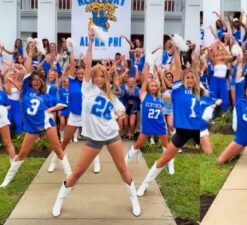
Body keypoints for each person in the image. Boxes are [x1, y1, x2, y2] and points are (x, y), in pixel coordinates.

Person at [51, 29, 141, 217]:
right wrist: (90, 42)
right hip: (93, 139)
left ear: (106, 78)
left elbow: (122, 111)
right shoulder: (87, 88)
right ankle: (60, 199)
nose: (99, 78)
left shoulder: (110, 96)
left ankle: (134, 199)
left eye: (102, 76)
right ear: (92, 77)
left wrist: (119, 115)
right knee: (77, 172)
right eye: (97, 75)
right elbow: (87, 61)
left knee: (122, 168)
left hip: (111, 135)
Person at [0, 45, 72, 188]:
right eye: (35, 80)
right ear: (31, 81)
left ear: (41, 83)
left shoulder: (45, 95)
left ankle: (70, 175)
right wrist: (30, 53)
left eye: (39, 81)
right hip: (32, 126)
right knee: (23, 153)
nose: (36, 82)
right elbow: (27, 68)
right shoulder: (25, 89)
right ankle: (7, 180)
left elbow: (62, 105)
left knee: (57, 148)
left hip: (45, 122)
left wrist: (50, 109)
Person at [135, 43, 201, 197]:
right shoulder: (178, 89)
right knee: (164, 158)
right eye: (188, 77)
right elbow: (178, 65)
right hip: (183, 131)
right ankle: (144, 185)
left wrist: (193, 54)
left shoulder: (197, 92)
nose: (190, 79)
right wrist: (177, 49)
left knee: (210, 152)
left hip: (197, 128)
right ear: (183, 79)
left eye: (193, 77)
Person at [124, 64, 175, 174]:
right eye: (151, 85)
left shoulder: (160, 99)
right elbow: (145, 81)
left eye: (155, 85)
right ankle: (125, 161)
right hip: (147, 126)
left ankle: (170, 164)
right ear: (148, 87)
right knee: (137, 145)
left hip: (160, 126)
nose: (153, 87)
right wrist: (146, 67)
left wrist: (161, 74)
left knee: (166, 146)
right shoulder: (143, 95)